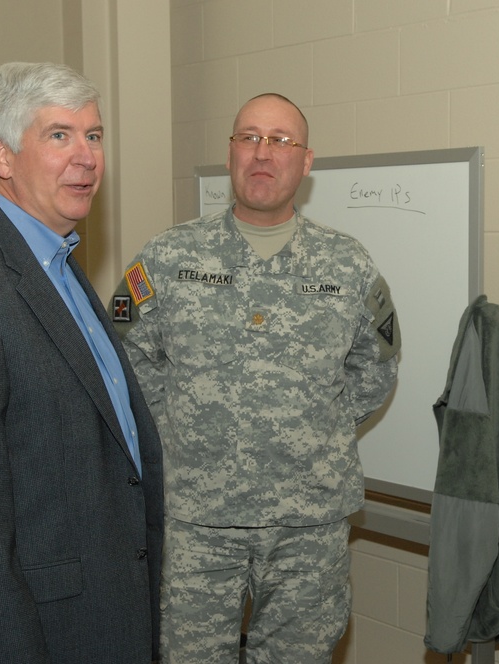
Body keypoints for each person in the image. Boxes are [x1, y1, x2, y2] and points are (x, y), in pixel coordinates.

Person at [111, 92, 400, 664]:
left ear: (307, 161)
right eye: (249, 137)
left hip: (308, 524)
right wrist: (181, 427)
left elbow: (375, 370)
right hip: (197, 519)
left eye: (281, 141)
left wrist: (310, 428)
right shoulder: (167, 257)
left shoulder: (347, 265)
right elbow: (125, 360)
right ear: (230, 153)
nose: (263, 153)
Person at [0, 62, 164, 663]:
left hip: (107, 612)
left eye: (93, 135)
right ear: (3, 156)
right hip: (39, 632)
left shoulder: (63, 269)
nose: (88, 157)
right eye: (59, 135)